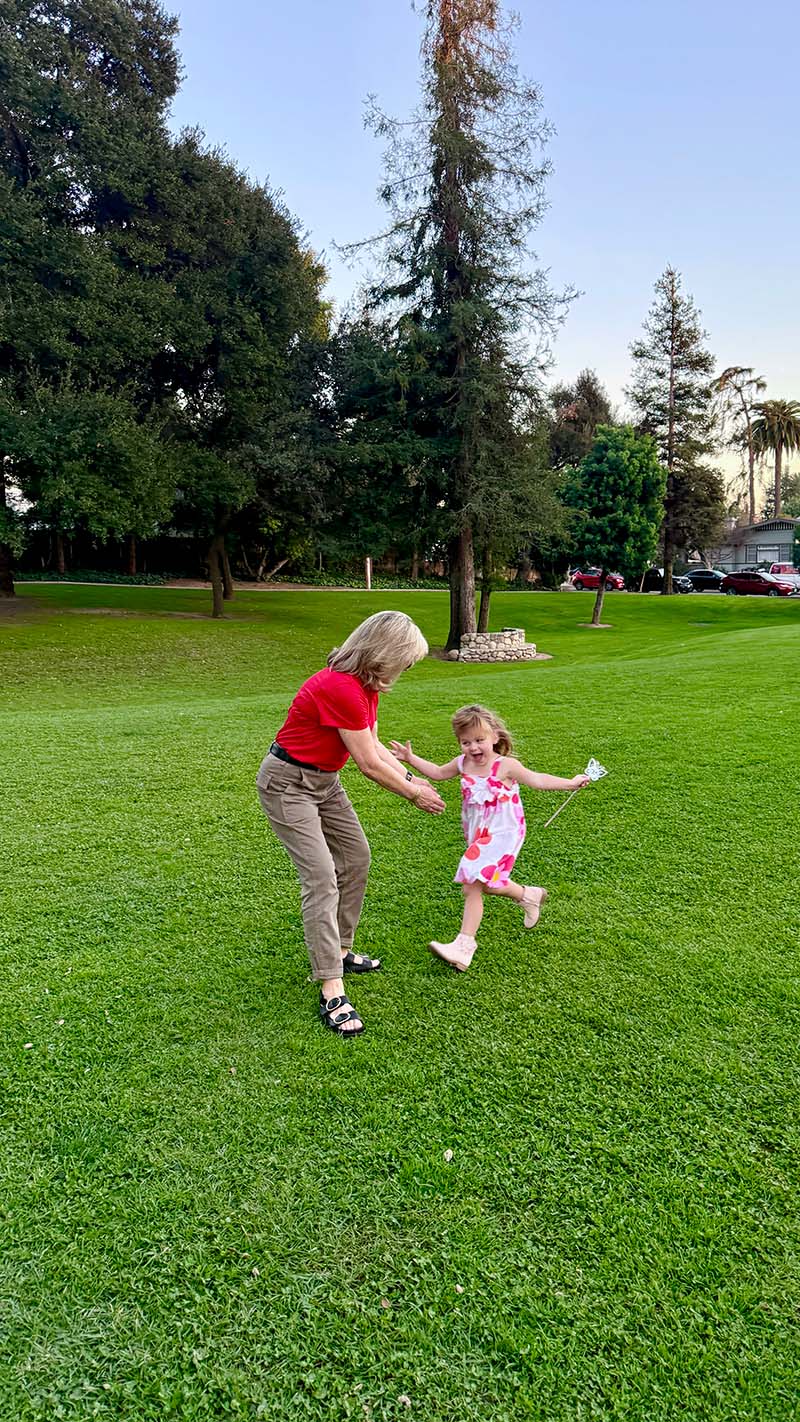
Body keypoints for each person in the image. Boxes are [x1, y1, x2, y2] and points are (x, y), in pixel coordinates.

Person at [256, 611, 445, 1036]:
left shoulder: (366, 688)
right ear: (385, 653)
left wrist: (411, 777)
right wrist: (413, 794)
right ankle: (331, 985)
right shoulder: (340, 688)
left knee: (356, 858)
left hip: (324, 781)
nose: (406, 669)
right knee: (321, 877)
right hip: (288, 785)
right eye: (406, 661)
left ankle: (340, 950)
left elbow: (374, 746)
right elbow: (368, 765)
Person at [390, 703, 589, 972]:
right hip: (479, 835)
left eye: (479, 740)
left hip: (505, 833)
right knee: (488, 883)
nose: (473, 747)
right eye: (465, 742)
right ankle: (528, 895)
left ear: (495, 737)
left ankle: (464, 946)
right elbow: (437, 772)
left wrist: (570, 782)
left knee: (471, 883)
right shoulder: (463, 763)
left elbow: (538, 780)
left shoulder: (506, 766)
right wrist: (410, 758)